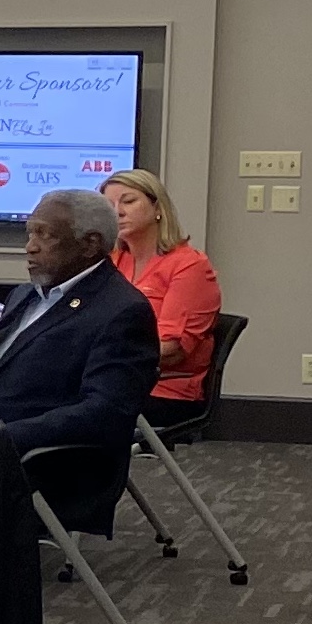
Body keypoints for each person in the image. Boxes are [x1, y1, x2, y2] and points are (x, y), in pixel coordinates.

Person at [0, 188, 158, 456]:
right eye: (30, 233)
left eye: (46, 235)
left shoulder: (121, 311)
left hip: (32, 456)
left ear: (90, 244)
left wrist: (3, 437)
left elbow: (104, 413)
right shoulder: (24, 295)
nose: (30, 246)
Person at [104, 168, 221, 430]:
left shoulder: (189, 265)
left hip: (165, 392)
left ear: (157, 208)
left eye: (128, 201)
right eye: (109, 206)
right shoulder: (113, 261)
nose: (117, 212)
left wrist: (100, 355)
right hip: (111, 380)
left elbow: (170, 350)